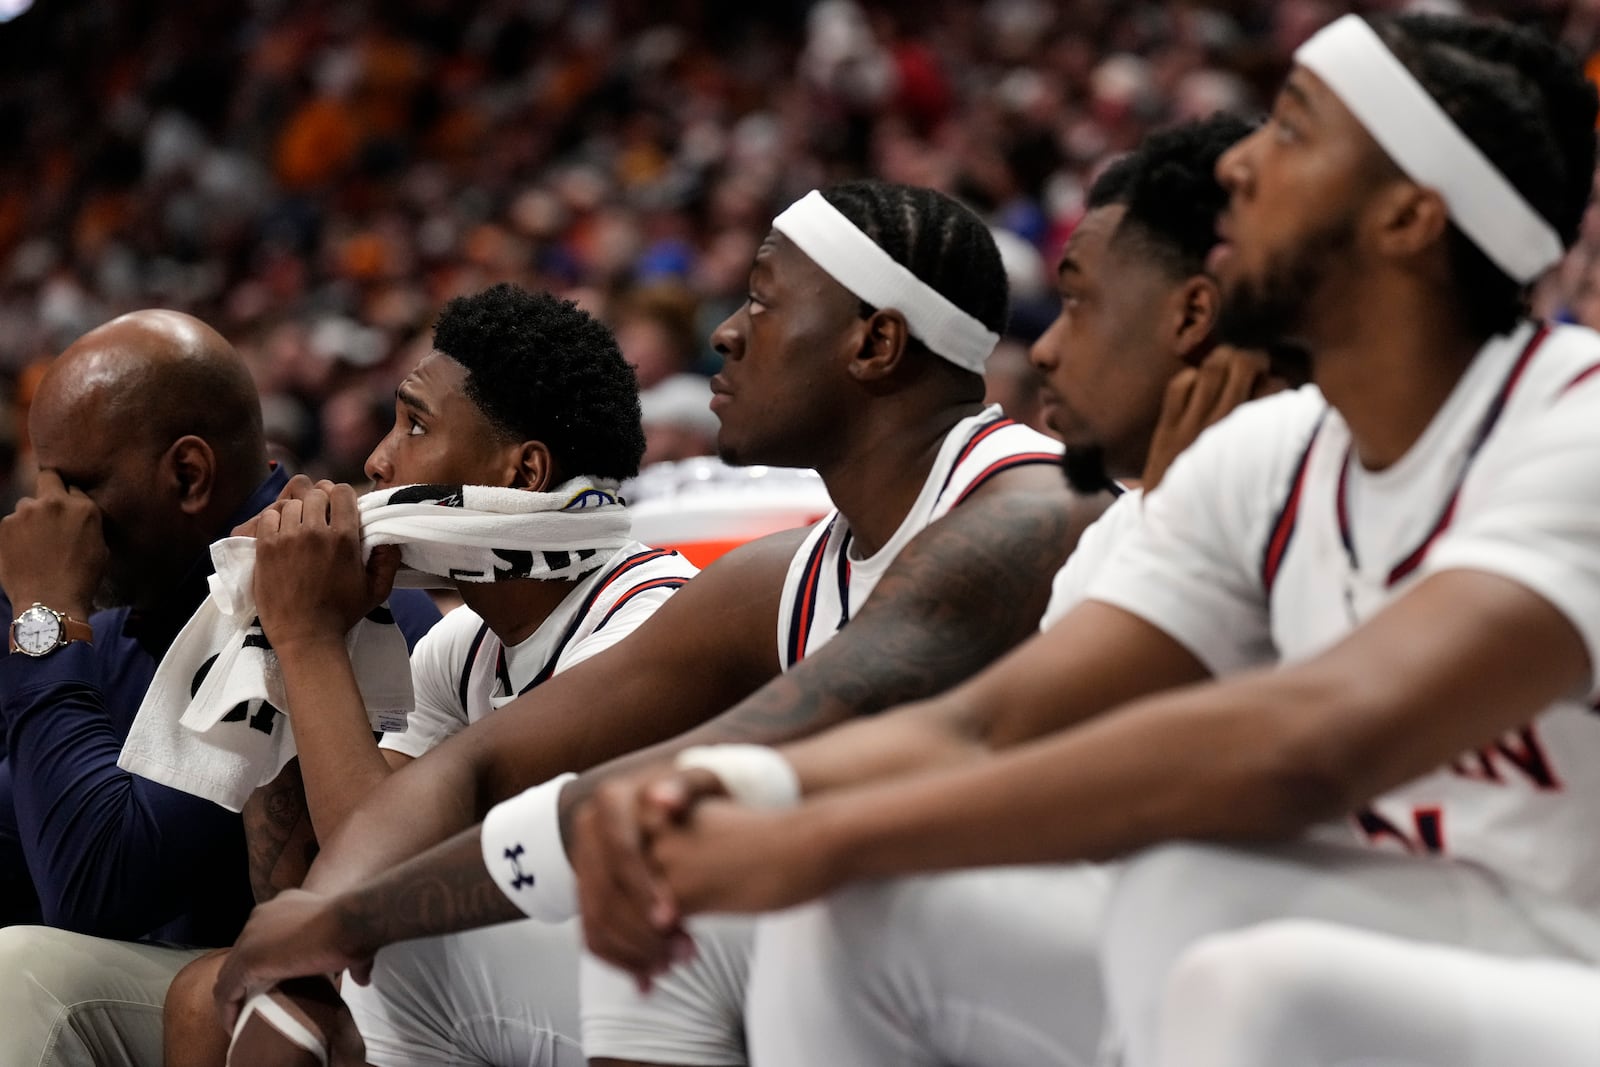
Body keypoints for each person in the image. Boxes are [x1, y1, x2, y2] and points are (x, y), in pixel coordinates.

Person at [527, 12, 1598, 1067]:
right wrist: (755, 790)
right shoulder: (1264, 457)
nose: (1238, 170)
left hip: (1563, 977)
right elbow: (994, 723)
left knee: (1248, 972)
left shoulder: (1575, 432)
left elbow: (1310, 744)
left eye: (1295, 131)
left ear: (1408, 219)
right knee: (859, 905)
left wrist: (824, 827)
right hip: (1388, 933)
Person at [214, 179, 1100, 1067]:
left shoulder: (1021, 510)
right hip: (897, 955)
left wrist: (349, 913)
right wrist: (323, 928)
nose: (726, 331)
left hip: (1092, 968)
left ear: (873, 342)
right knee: (377, 965)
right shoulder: (792, 571)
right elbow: (476, 767)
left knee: (653, 901)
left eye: (762, 298)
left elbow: (740, 758)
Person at [162, 283, 699, 1066]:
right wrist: (271, 637)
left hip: (662, 985)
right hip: (522, 981)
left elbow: (373, 892)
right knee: (209, 998)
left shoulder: (644, 619)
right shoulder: (464, 647)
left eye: (415, 424)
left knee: (374, 974)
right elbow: (300, 891)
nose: (378, 459)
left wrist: (309, 634)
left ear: (523, 473)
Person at [0, 309, 440, 1067]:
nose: (45, 514)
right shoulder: (113, 624)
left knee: (24, 973)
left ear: (188, 474)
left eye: (74, 483)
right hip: (174, 994)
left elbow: (95, 881)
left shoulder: (333, 597)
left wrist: (46, 616)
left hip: (301, 1007)